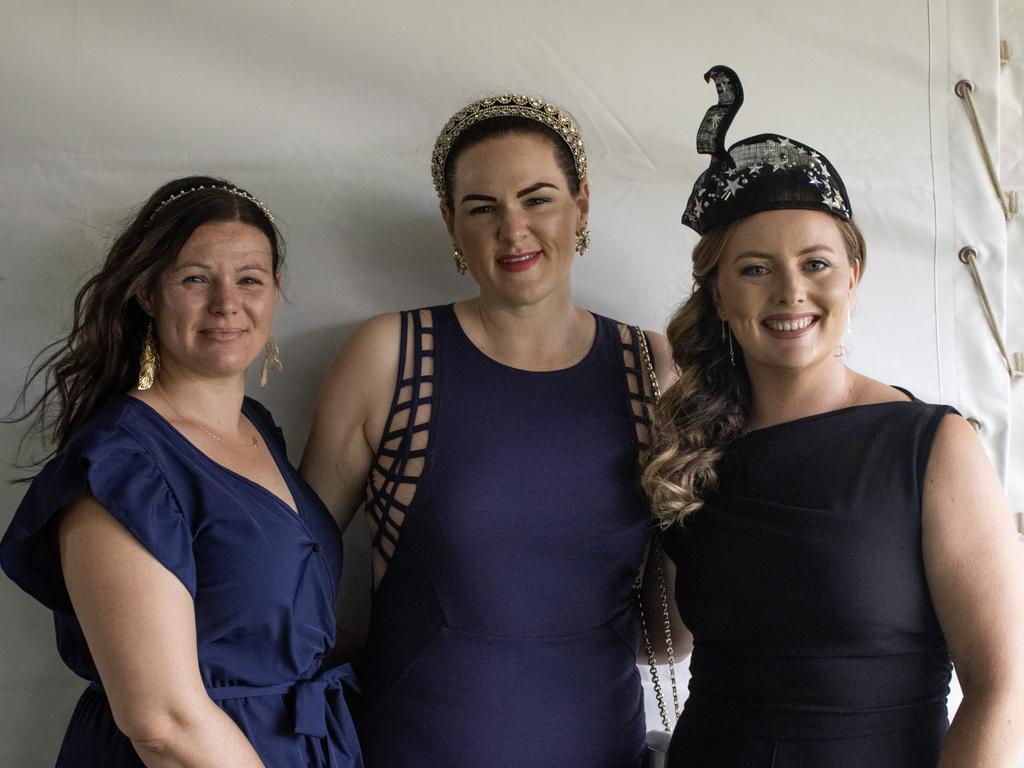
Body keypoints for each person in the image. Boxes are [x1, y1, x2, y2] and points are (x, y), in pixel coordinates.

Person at [644, 66, 1024, 768]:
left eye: (815, 263)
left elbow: (1003, 691)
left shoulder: (932, 447)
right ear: (719, 293)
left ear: (852, 275)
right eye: (755, 269)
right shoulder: (694, 450)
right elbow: (663, 643)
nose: (791, 291)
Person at [301, 94, 674, 768]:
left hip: (602, 747)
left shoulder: (652, 367)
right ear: (450, 220)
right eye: (482, 208)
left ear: (581, 203)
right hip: (417, 747)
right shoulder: (389, 354)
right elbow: (287, 574)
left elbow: (670, 635)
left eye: (538, 199)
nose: (513, 231)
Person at [1, 177, 362, 767]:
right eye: (195, 279)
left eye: (249, 279)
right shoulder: (122, 462)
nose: (227, 304)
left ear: (275, 291)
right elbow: (163, 724)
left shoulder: (257, 427)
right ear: (147, 292)